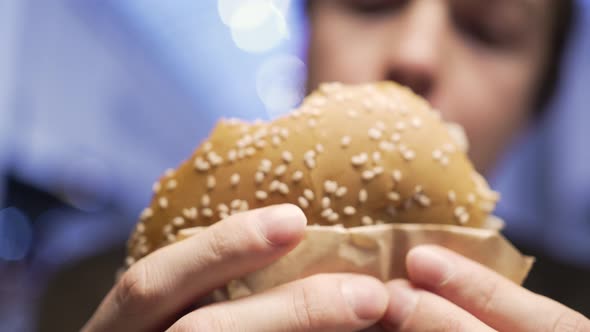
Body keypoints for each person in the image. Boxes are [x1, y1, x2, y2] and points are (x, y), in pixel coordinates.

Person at [78, 0, 589, 330]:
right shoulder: (91, 295)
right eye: (370, 4)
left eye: (488, 30)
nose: (416, 55)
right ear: (306, 35)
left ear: (537, 105)